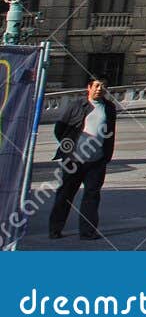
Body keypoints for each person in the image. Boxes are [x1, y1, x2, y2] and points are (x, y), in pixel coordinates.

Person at [48, 78, 116, 241]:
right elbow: (60, 129)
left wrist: (106, 155)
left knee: (92, 195)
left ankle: (88, 232)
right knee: (65, 194)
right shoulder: (77, 105)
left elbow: (110, 132)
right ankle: (55, 229)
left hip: (97, 161)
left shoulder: (109, 107)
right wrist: (68, 149)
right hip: (73, 160)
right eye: (97, 85)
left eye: (103, 86)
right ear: (89, 87)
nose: (100, 89)